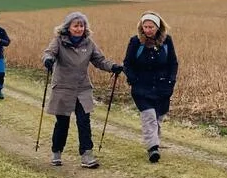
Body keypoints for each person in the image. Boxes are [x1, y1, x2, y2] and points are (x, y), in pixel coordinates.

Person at [42, 11, 124, 168]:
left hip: (82, 88)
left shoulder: (89, 43)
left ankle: (87, 154)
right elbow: (49, 53)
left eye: (82, 25)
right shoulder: (59, 41)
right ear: (68, 27)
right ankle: (57, 151)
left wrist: (113, 67)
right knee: (62, 122)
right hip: (63, 87)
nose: (79, 28)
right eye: (76, 25)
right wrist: (48, 60)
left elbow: (99, 60)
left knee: (84, 121)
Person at [123, 12, 178, 164]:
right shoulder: (135, 42)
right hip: (141, 88)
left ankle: (155, 145)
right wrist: (132, 79)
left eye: (151, 27)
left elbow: (173, 63)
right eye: (145, 26)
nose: (147, 30)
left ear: (157, 27)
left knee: (158, 118)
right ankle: (152, 148)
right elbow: (127, 63)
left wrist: (170, 82)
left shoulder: (167, 42)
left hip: (162, 88)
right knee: (149, 118)